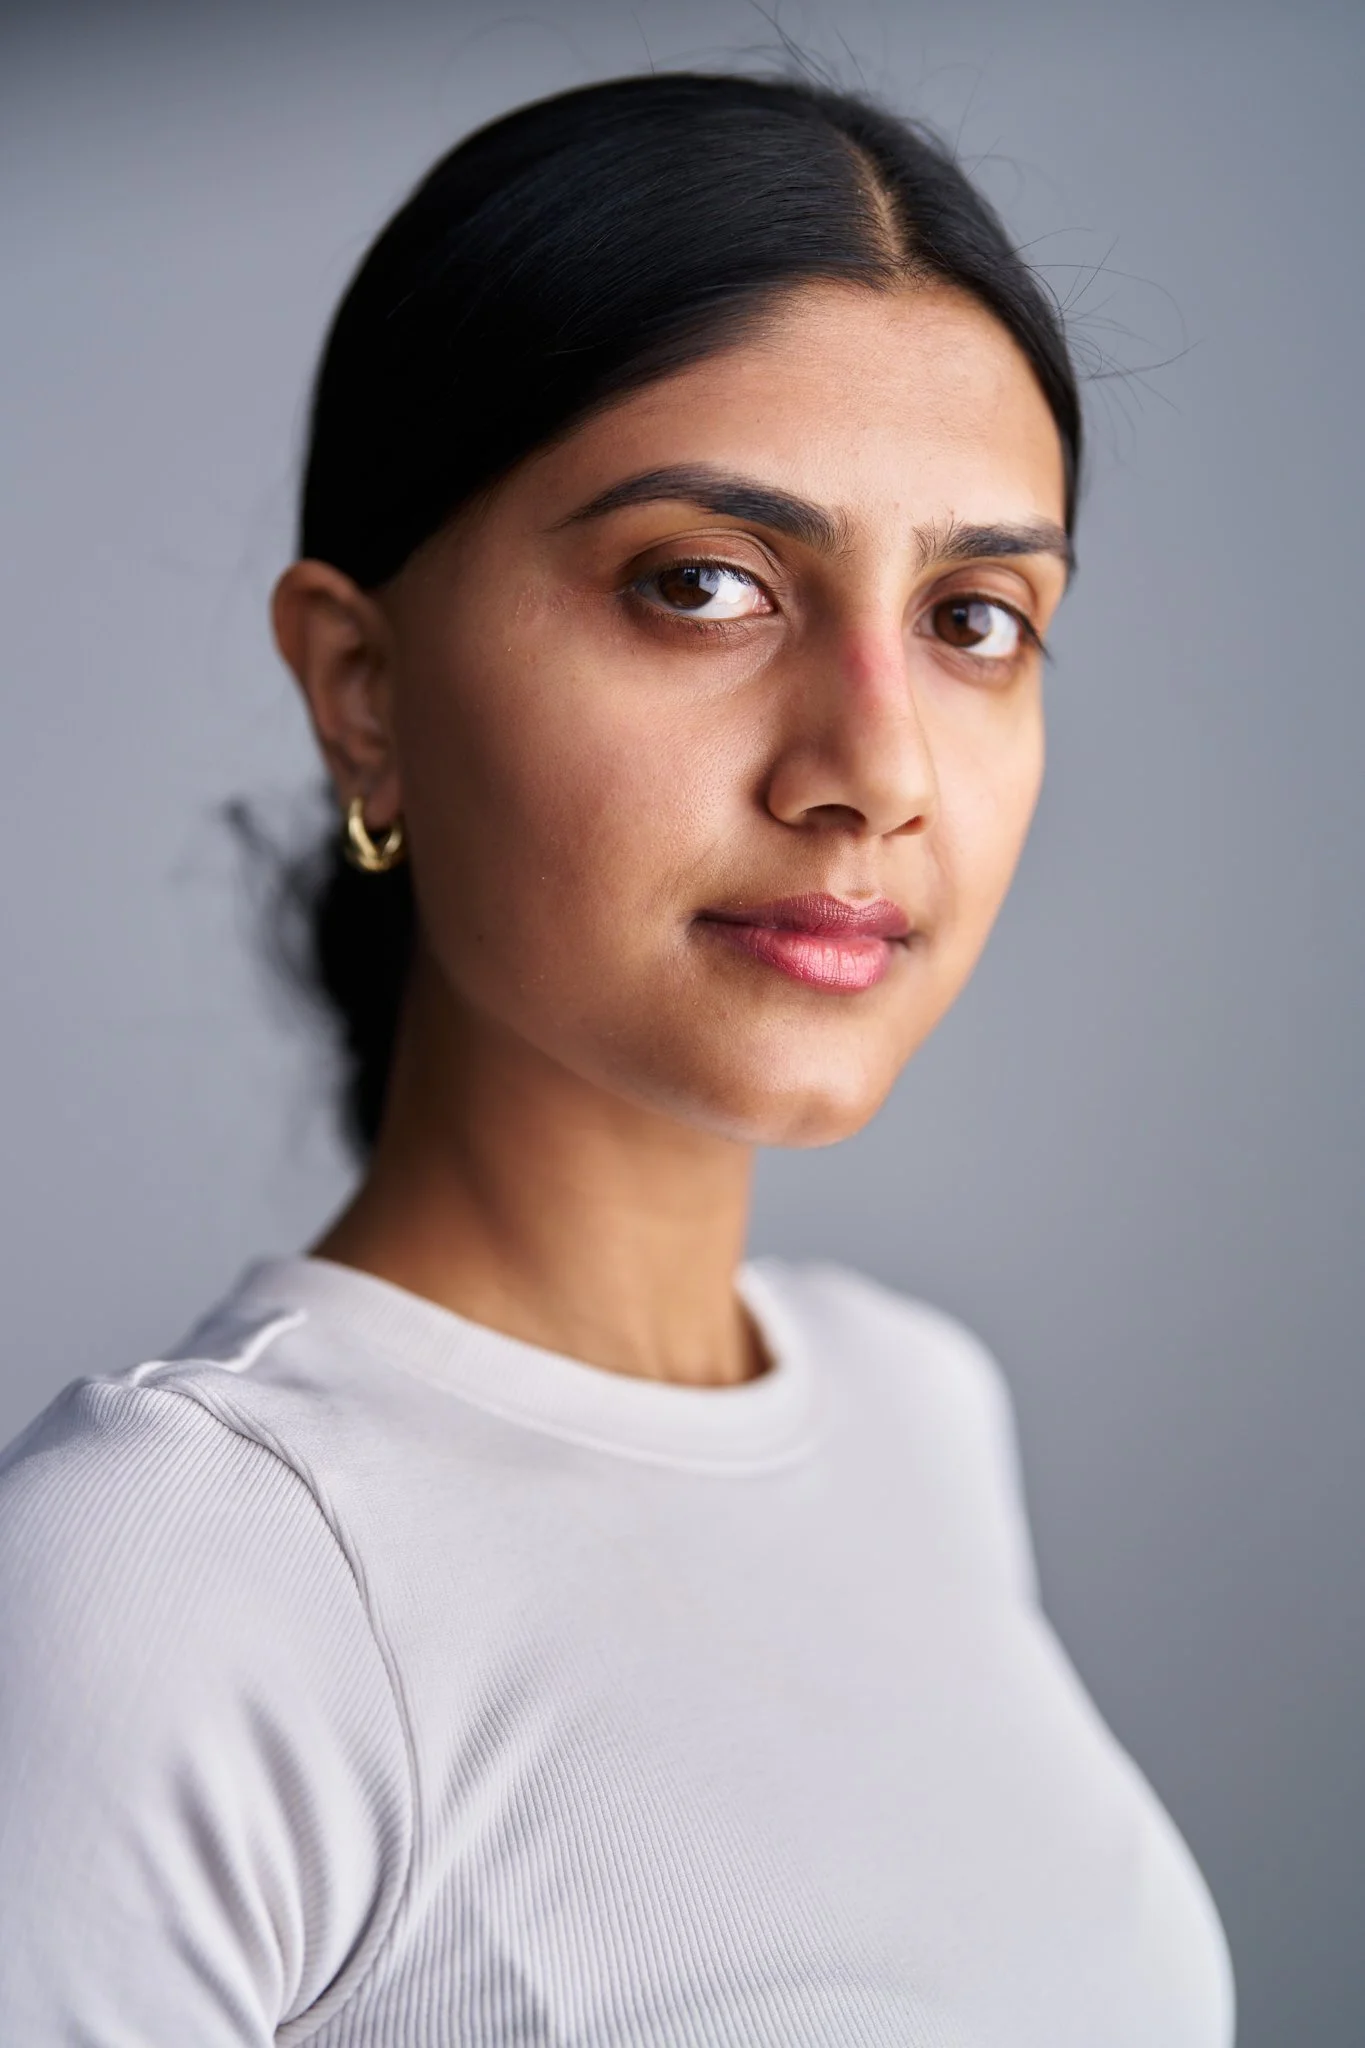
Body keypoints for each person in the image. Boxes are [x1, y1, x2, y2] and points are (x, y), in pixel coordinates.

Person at [0, 71, 1234, 2046]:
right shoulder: (164, 1582)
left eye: (975, 618)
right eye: (704, 585)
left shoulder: (922, 1412)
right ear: (363, 689)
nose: (875, 769)